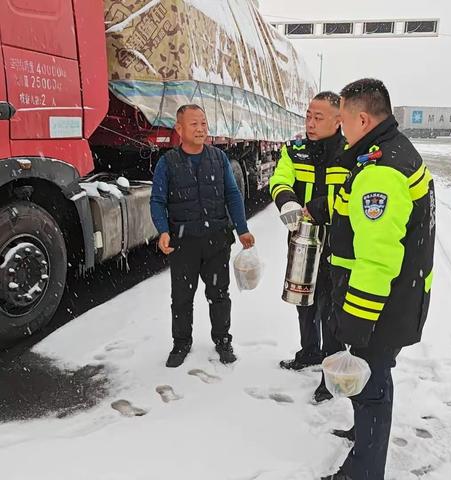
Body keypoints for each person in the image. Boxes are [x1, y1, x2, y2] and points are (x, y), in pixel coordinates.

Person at [320, 79, 435, 480]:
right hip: (400, 295)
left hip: (382, 304)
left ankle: (363, 472)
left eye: (343, 120)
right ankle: (363, 436)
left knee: (372, 387)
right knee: (370, 385)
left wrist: (356, 322)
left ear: (363, 119)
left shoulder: (382, 171)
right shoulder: (386, 153)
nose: (341, 128)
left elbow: (378, 259)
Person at [150, 104, 255, 368]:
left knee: (219, 294)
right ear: (179, 128)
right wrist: (163, 230)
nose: (200, 129)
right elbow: (157, 200)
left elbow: (232, 194)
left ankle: (222, 340)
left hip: (216, 240)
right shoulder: (168, 162)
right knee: (182, 297)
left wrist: (241, 228)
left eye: (204, 124)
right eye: (194, 124)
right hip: (183, 243)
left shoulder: (218, 158)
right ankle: (181, 343)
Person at [269, 92, 347, 399]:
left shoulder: (351, 152)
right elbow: (280, 178)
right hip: (303, 239)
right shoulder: (295, 149)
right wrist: (286, 200)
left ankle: (331, 373)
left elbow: (350, 195)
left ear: (338, 120)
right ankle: (309, 352)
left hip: (337, 243)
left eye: (319, 118)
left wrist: (320, 207)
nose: (310, 124)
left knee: (331, 309)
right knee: (304, 300)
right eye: (308, 116)